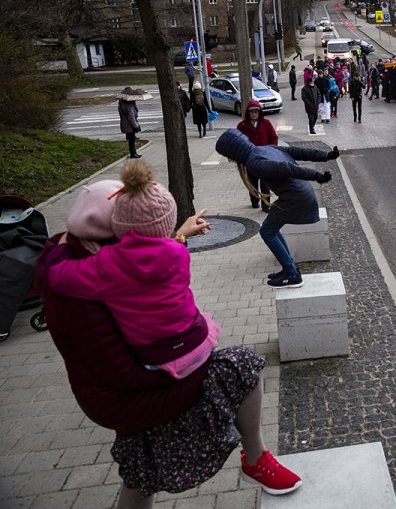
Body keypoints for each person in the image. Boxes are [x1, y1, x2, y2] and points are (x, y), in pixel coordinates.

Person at [34, 180, 302, 509]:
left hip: (133, 380)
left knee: (141, 466)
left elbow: (143, 258)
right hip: (124, 393)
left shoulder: (95, 258)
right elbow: (118, 371)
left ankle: (255, 459)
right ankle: (255, 460)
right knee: (242, 367)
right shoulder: (78, 288)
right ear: (112, 230)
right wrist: (186, 367)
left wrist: (181, 234)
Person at [47, 161, 220, 380]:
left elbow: (58, 275)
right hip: (196, 338)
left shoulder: (106, 264)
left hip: (157, 355)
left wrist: (60, 248)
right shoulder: (178, 252)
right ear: (167, 226)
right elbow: (162, 248)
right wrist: (182, 233)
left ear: (119, 224)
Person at [216, 129, 339, 287]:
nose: (228, 160)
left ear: (233, 151)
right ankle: (290, 267)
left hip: (295, 197)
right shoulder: (264, 149)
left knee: (267, 231)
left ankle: (292, 274)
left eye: (227, 155)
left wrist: (316, 175)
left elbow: (286, 168)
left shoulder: (254, 163)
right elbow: (297, 152)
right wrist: (326, 155)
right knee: (271, 229)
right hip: (299, 192)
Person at [236, 99, 278, 211]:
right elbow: (238, 142)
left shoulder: (266, 123)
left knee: (265, 184)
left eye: (256, 112)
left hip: (264, 159)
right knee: (252, 182)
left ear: (259, 113)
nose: (254, 114)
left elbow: (273, 138)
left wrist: (271, 150)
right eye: (251, 112)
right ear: (248, 113)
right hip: (249, 159)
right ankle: (255, 201)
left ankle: (266, 205)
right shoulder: (242, 126)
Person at [117, 87, 144, 159]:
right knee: (132, 140)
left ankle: (133, 153)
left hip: (125, 123)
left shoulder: (121, 102)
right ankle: (133, 153)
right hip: (129, 124)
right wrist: (135, 125)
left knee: (131, 139)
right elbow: (131, 116)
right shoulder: (128, 104)